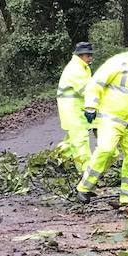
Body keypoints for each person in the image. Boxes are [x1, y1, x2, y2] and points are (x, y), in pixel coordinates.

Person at [75, 38, 128, 209]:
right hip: (111, 119)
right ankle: (84, 188)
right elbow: (95, 84)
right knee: (106, 150)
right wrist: (90, 106)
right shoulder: (117, 63)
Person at [56, 41, 94, 172]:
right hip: (71, 109)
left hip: (75, 108)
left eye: (91, 55)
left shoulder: (83, 67)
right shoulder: (76, 69)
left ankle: (57, 159)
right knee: (80, 139)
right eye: (88, 55)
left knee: (72, 138)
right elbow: (87, 91)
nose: (90, 58)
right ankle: (85, 171)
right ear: (80, 55)